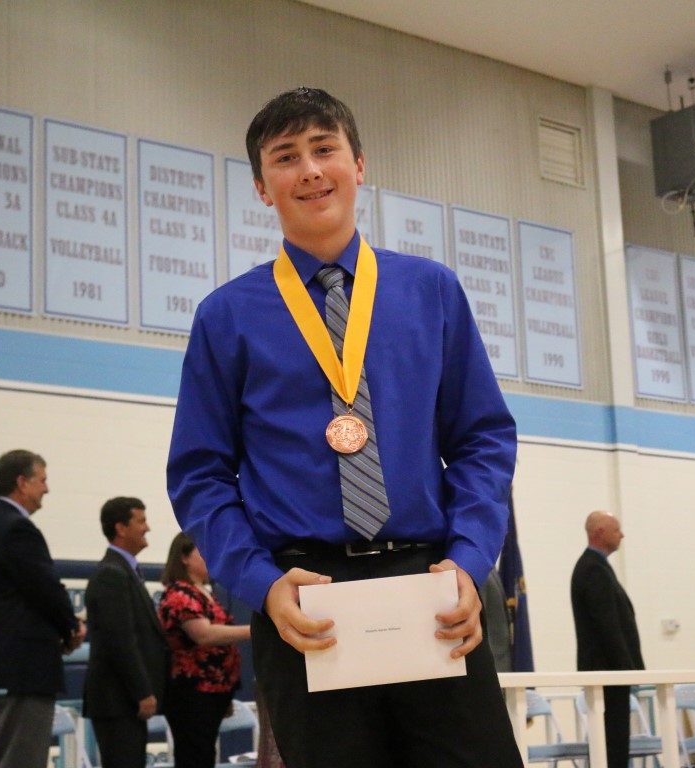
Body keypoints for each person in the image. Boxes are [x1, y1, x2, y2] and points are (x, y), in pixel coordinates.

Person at [166, 86, 521, 768]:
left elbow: (482, 440)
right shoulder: (226, 316)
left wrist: (470, 561)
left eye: (324, 149)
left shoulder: (431, 292)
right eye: (285, 157)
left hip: (434, 586)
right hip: (304, 601)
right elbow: (200, 473)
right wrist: (261, 582)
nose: (309, 171)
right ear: (262, 187)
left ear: (358, 164)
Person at [0, 449, 85, 768]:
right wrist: (71, 627)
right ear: (22, 483)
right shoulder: (16, 528)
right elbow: (45, 588)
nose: (47, 489)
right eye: (42, 480)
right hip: (21, 673)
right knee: (22, 761)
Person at [83, 497, 169, 768]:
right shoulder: (112, 574)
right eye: (141, 521)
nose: (147, 528)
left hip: (124, 702)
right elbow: (120, 641)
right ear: (121, 528)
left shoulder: (125, 571)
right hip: (117, 700)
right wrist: (142, 692)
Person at [157, 532, 250, 768]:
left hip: (214, 691)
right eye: (202, 551)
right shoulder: (179, 593)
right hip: (192, 692)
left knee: (205, 754)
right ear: (184, 557)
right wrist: (252, 631)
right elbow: (204, 635)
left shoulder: (204, 591)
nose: (211, 556)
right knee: (195, 756)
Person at [570, 510, 644, 768]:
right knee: (612, 743)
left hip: (610, 671)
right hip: (608, 671)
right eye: (616, 530)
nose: (622, 535)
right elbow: (608, 626)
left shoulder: (597, 566)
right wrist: (627, 670)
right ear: (600, 532)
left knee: (615, 741)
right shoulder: (592, 568)